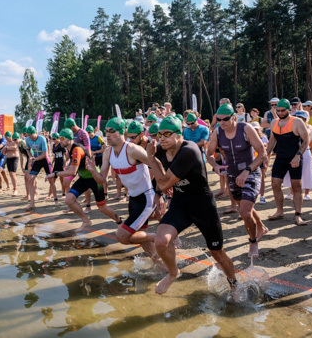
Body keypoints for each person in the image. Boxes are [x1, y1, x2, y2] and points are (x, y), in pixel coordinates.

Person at [146, 116, 238, 295]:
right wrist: (158, 194)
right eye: (159, 134)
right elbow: (154, 167)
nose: (162, 138)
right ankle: (173, 272)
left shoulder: (189, 150)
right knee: (160, 241)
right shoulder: (160, 149)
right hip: (181, 204)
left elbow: (164, 182)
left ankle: (234, 283)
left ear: (179, 135)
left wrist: (151, 159)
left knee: (217, 253)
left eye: (167, 134)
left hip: (203, 205)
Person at [86, 118, 160, 260]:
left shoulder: (132, 149)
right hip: (133, 199)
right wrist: (92, 171)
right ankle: (160, 264)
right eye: (106, 131)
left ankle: (161, 237)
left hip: (146, 198)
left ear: (121, 133)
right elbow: (102, 180)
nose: (107, 135)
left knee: (123, 236)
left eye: (112, 131)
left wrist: (160, 193)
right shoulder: (108, 153)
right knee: (142, 239)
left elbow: (157, 165)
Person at [207, 103, 268, 258]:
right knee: (246, 207)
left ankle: (253, 242)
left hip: (250, 173)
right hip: (233, 175)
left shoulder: (245, 128)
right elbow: (208, 154)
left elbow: (262, 153)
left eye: (225, 119)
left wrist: (247, 171)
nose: (222, 122)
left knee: (245, 212)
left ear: (234, 117)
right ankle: (261, 228)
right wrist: (215, 166)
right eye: (219, 119)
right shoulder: (218, 132)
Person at [46, 128, 121, 233]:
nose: (60, 140)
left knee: (102, 208)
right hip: (84, 178)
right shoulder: (69, 148)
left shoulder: (77, 149)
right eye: (59, 138)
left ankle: (120, 222)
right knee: (69, 200)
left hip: (95, 178)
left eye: (62, 138)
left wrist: (54, 174)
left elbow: (73, 172)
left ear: (70, 138)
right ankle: (86, 221)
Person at [266, 99, 310, 226]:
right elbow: (272, 142)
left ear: (289, 109)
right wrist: (265, 156)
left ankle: (298, 215)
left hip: (295, 157)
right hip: (280, 158)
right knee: (275, 184)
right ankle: (280, 211)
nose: (280, 113)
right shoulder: (274, 122)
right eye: (278, 111)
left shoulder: (297, 121)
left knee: (296, 186)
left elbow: (306, 141)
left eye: (282, 110)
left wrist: (298, 156)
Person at [283, 110, 312, 201]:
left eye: (301, 118)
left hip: (305, 151)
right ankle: (291, 192)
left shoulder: (309, 126)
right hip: (293, 151)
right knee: (292, 172)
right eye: (297, 118)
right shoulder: (291, 127)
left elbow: (307, 132)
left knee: (307, 172)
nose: (299, 120)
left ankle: (306, 193)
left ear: (305, 119)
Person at [24, 126, 58, 212]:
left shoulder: (42, 138)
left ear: (35, 133)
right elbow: (28, 150)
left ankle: (56, 199)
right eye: (28, 135)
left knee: (51, 180)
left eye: (31, 135)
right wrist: (31, 156)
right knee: (30, 179)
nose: (30, 137)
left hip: (45, 160)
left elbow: (44, 154)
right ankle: (32, 203)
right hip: (36, 160)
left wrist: (34, 159)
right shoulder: (27, 140)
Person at [2, 132, 20, 196]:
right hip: (8, 159)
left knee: (13, 174)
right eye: (5, 137)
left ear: (10, 136)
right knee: (10, 174)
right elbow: (4, 152)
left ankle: (15, 189)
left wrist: (6, 148)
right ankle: (14, 189)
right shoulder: (7, 143)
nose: (6, 138)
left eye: (7, 137)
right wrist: (3, 150)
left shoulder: (14, 141)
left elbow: (15, 147)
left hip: (14, 158)